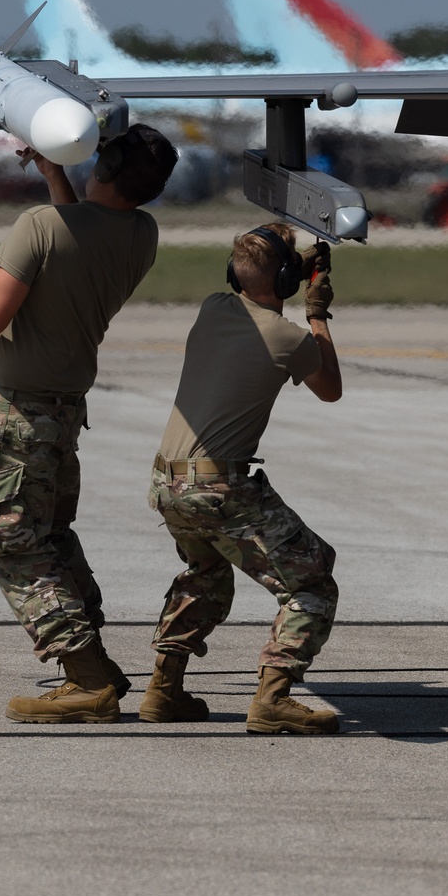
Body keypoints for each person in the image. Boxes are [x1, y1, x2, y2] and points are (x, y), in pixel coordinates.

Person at [0, 124, 178, 724]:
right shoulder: (141, 232)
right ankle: (94, 666)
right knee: (50, 538)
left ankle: (87, 677)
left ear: (107, 168)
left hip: (16, 413)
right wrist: (55, 175)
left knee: (6, 535)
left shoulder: (39, 226)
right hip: (62, 414)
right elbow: (81, 232)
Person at [142, 223, 343, 734]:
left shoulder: (213, 307)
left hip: (168, 483)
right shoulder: (289, 337)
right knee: (313, 582)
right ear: (284, 278)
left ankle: (163, 691)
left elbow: (260, 280)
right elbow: (330, 388)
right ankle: (273, 698)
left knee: (205, 574)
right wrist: (317, 311)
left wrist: (290, 266)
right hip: (218, 487)